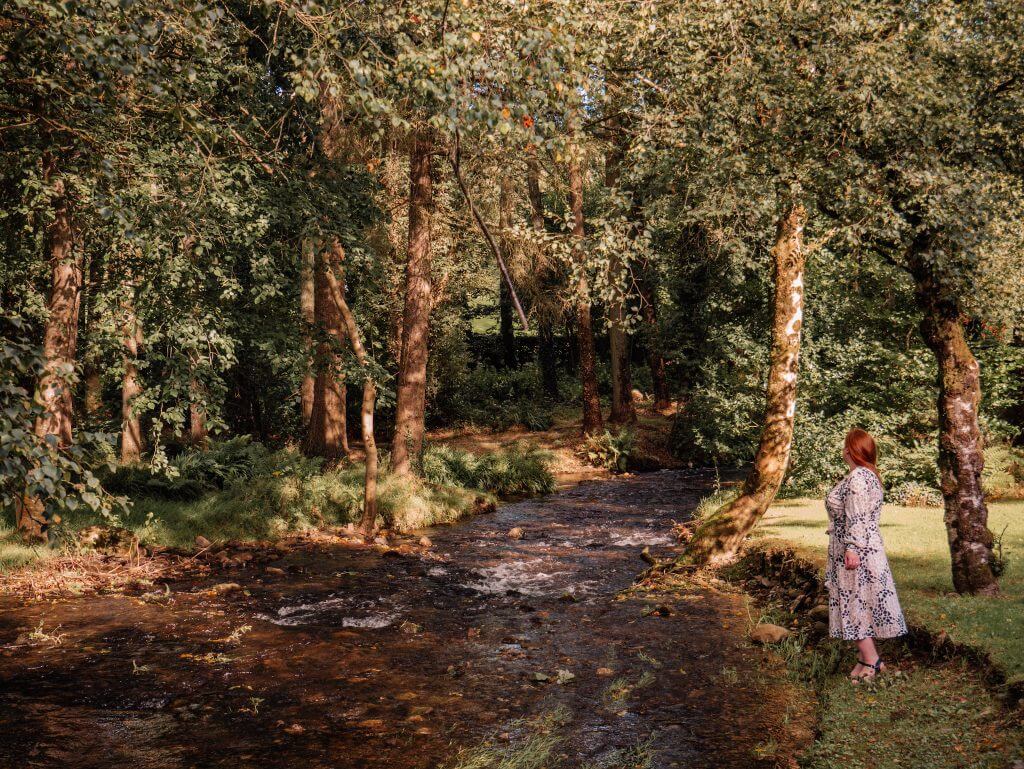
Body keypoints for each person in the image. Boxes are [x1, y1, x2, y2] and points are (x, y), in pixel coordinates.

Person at [825, 428, 907, 682]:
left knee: (855, 603)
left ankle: (872, 661)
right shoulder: (867, 475)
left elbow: (859, 518)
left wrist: (852, 548)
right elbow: (856, 514)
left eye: (844, 445)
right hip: (861, 546)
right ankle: (867, 658)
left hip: (857, 551)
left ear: (849, 450)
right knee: (858, 603)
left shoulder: (859, 477)